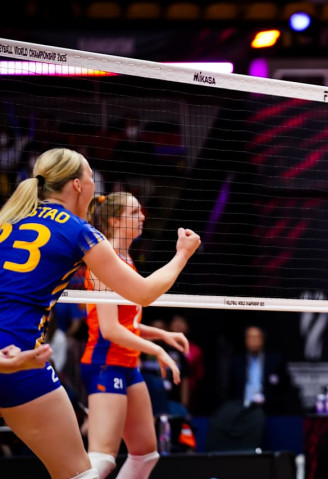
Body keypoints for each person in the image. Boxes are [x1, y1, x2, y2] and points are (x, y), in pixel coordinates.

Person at [0, 147, 200, 479]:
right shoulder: (79, 231)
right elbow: (144, 293)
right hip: (22, 357)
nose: (95, 186)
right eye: (92, 177)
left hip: (8, 355)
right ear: (78, 185)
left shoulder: (9, 221)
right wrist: (182, 254)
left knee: (136, 456)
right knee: (83, 472)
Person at [81, 192, 192, 479]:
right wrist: (156, 350)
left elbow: (126, 323)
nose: (142, 216)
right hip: (105, 363)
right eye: (133, 212)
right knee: (103, 458)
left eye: (141, 211)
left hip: (128, 364)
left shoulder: (125, 259)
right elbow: (109, 330)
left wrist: (162, 335)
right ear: (114, 221)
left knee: (145, 454)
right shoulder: (102, 261)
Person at [206, 324, 299, 452]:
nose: (253, 340)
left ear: (263, 340)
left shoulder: (275, 360)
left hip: (268, 410)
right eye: (250, 337)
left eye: (257, 337)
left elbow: (285, 386)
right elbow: (230, 388)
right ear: (245, 340)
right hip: (242, 409)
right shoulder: (237, 361)